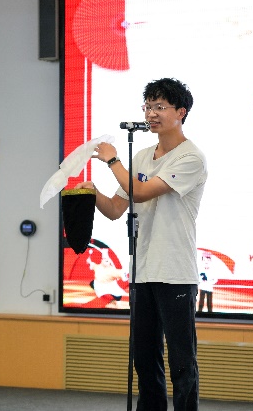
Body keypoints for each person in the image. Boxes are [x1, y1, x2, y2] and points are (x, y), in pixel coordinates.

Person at [75, 77, 207, 411]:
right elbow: (115, 209)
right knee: (144, 358)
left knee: (182, 362)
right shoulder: (143, 156)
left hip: (175, 272)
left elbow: (143, 192)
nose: (151, 114)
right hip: (142, 272)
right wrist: (93, 193)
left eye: (160, 107)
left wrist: (112, 161)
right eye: (147, 107)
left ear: (181, 112)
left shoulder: (191, 157)